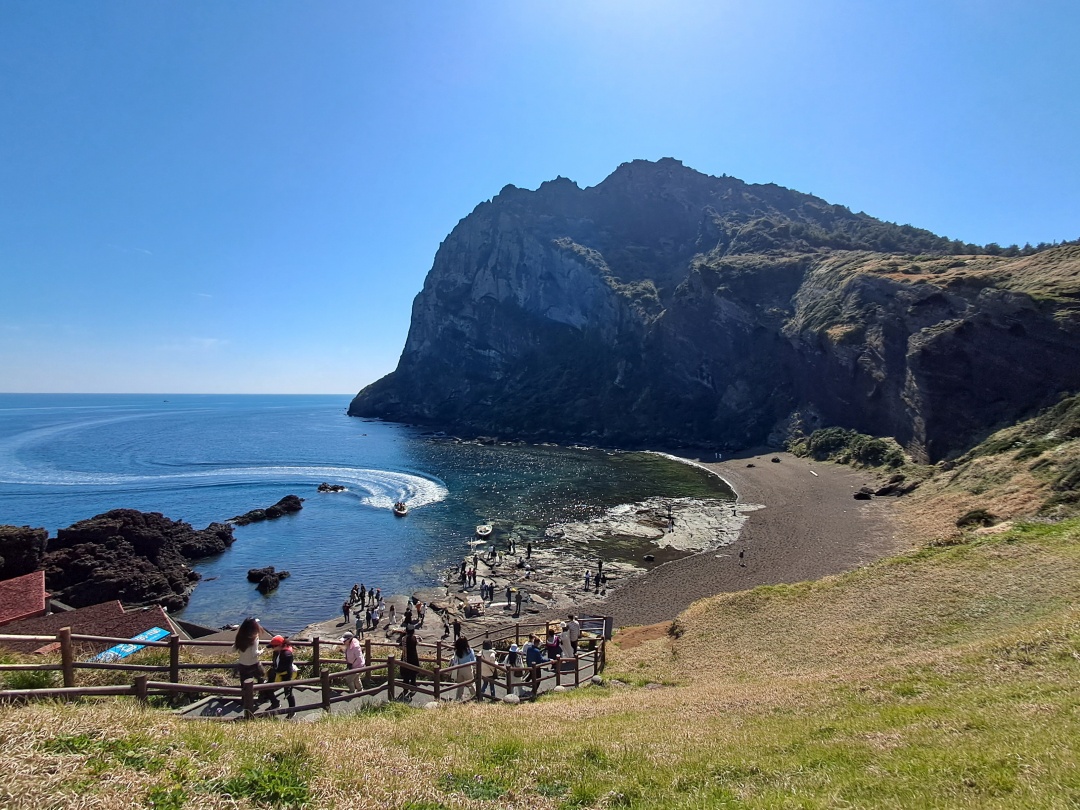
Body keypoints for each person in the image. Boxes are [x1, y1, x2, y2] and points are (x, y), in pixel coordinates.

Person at [266, 635, 296, 718]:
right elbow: (275, 663)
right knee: (268, 687)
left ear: (279, 646)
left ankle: (292, 711)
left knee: (288, 693)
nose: (272, 649)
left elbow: (281, 668)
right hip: (277, 673)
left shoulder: (287, 654)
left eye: (273, 647)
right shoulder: (277, 651)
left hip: (286, 675)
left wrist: (273, 671)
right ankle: (275, 703)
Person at [233, 617, 264, 685]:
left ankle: (245, 695)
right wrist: (261, 651)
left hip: (242, 664)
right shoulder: (254, 637)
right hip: (253, 664)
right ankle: (263, 695)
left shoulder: (240, 636)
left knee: (244, 684)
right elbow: (254, 653)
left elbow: (233, 649)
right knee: (261, 680)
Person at [451, 635, 476, 700]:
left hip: (459, 668)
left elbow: (455, 660)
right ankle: (475, 697)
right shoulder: (470, 650)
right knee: (471, 684)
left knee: (460, 685)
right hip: (467, 668)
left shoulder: (457, 651)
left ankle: (458, 698)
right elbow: (474, 661)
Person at [400, 625, 421, 699]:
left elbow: (400, 645)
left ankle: (405, 689)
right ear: (413, 632)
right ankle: (412, 688)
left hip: (405, 658)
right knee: (413, 674)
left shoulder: (403, 639)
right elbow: (419, 641)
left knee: (406, 675)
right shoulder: (414, 638)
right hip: (413, 658)